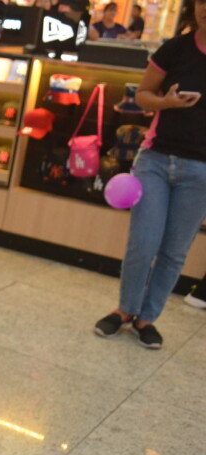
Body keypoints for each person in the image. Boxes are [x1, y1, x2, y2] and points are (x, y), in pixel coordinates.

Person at [94, 0, 206, 349]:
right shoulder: (176, 48)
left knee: (174, 252)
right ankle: (125, 310)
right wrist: (166, 103)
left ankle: (147, 319)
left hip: (201, 171)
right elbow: (143, 96)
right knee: (143, 243)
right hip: (155, 160)